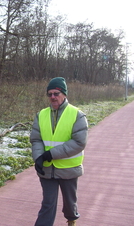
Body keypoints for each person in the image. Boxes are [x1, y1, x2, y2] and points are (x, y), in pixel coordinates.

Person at [30, 77, 88, 226]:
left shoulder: (77, 115)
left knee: (70, 203)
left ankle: (71, 220)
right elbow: (36, 139)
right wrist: (38, 158)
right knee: (47, 204)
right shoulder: (41, 115)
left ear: (64, 94)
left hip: (69, 169)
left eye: (56, 93)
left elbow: (79, 142)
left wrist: (50, 154)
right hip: (47, 169)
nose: (53, 97)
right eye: (49, 94)